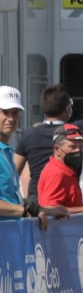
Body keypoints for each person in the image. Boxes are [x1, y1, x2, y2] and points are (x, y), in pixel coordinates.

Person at [13, 65, 83, 203]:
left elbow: (13, 173)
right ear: (67, 108)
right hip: (66, 204)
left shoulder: (28, 135)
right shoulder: (76, 130)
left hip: (36, 206)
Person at [37, 125, 83, 214]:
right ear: (57, 149)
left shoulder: (67, 170)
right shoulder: (57, 173)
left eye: (80, 147)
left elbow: (72, 206)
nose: (78, 151)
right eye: (72, 147)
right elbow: (49, 210)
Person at [0, 86, 26, 216]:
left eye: (15, 112)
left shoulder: (7, 151)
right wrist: (24, 210)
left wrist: (43, 209)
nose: (10, 118)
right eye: (5, 112)